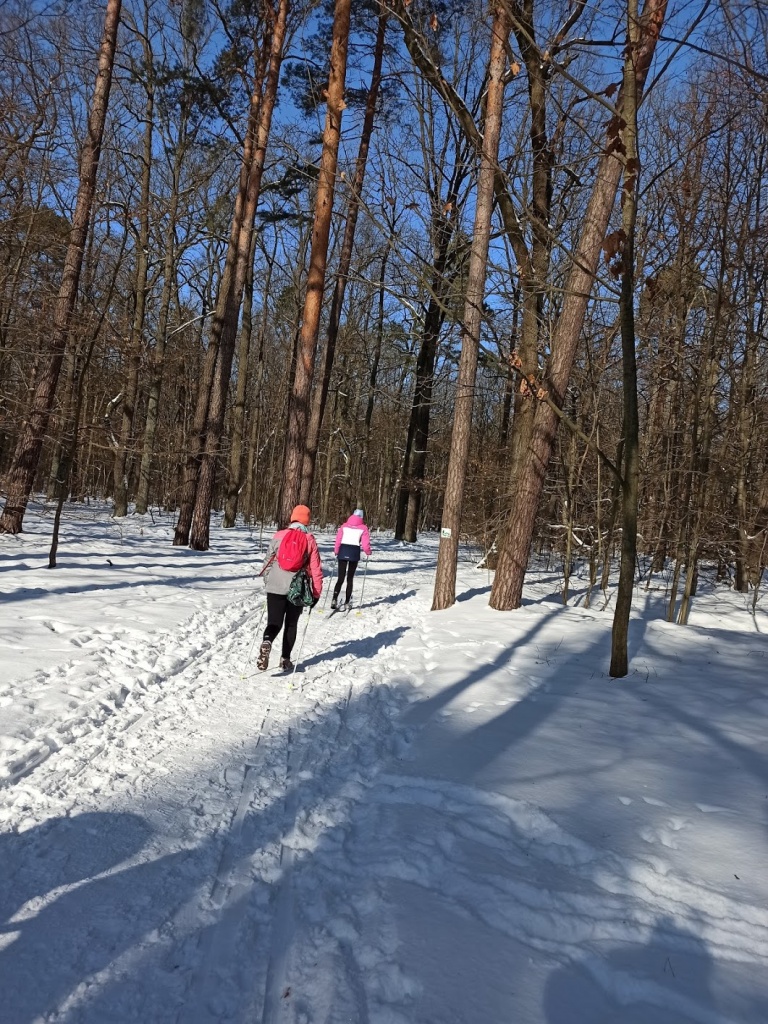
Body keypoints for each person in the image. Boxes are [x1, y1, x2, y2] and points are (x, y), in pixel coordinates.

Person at [258, 504, 323, 671]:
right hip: (297, 588)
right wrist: (316, 593)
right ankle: (285, 659)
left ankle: (267, 641)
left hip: (275, 585)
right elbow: (315, 569)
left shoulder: (279, 535)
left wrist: (268, 581)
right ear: (307, 520)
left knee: (274, 622)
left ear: (292, 517)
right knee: (291, 624)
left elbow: (268, 561)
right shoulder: (309, 540)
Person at [332, 508, 372, 609]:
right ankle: (347, 601)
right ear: (362, 517)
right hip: (354, 551)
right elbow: (365, 543)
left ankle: (334, 599)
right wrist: (368, 551)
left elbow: (338, 539)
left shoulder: (344, 526)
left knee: (340, 578)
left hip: (343, 550)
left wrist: (336, 550)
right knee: (350, 578)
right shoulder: (363, 528)